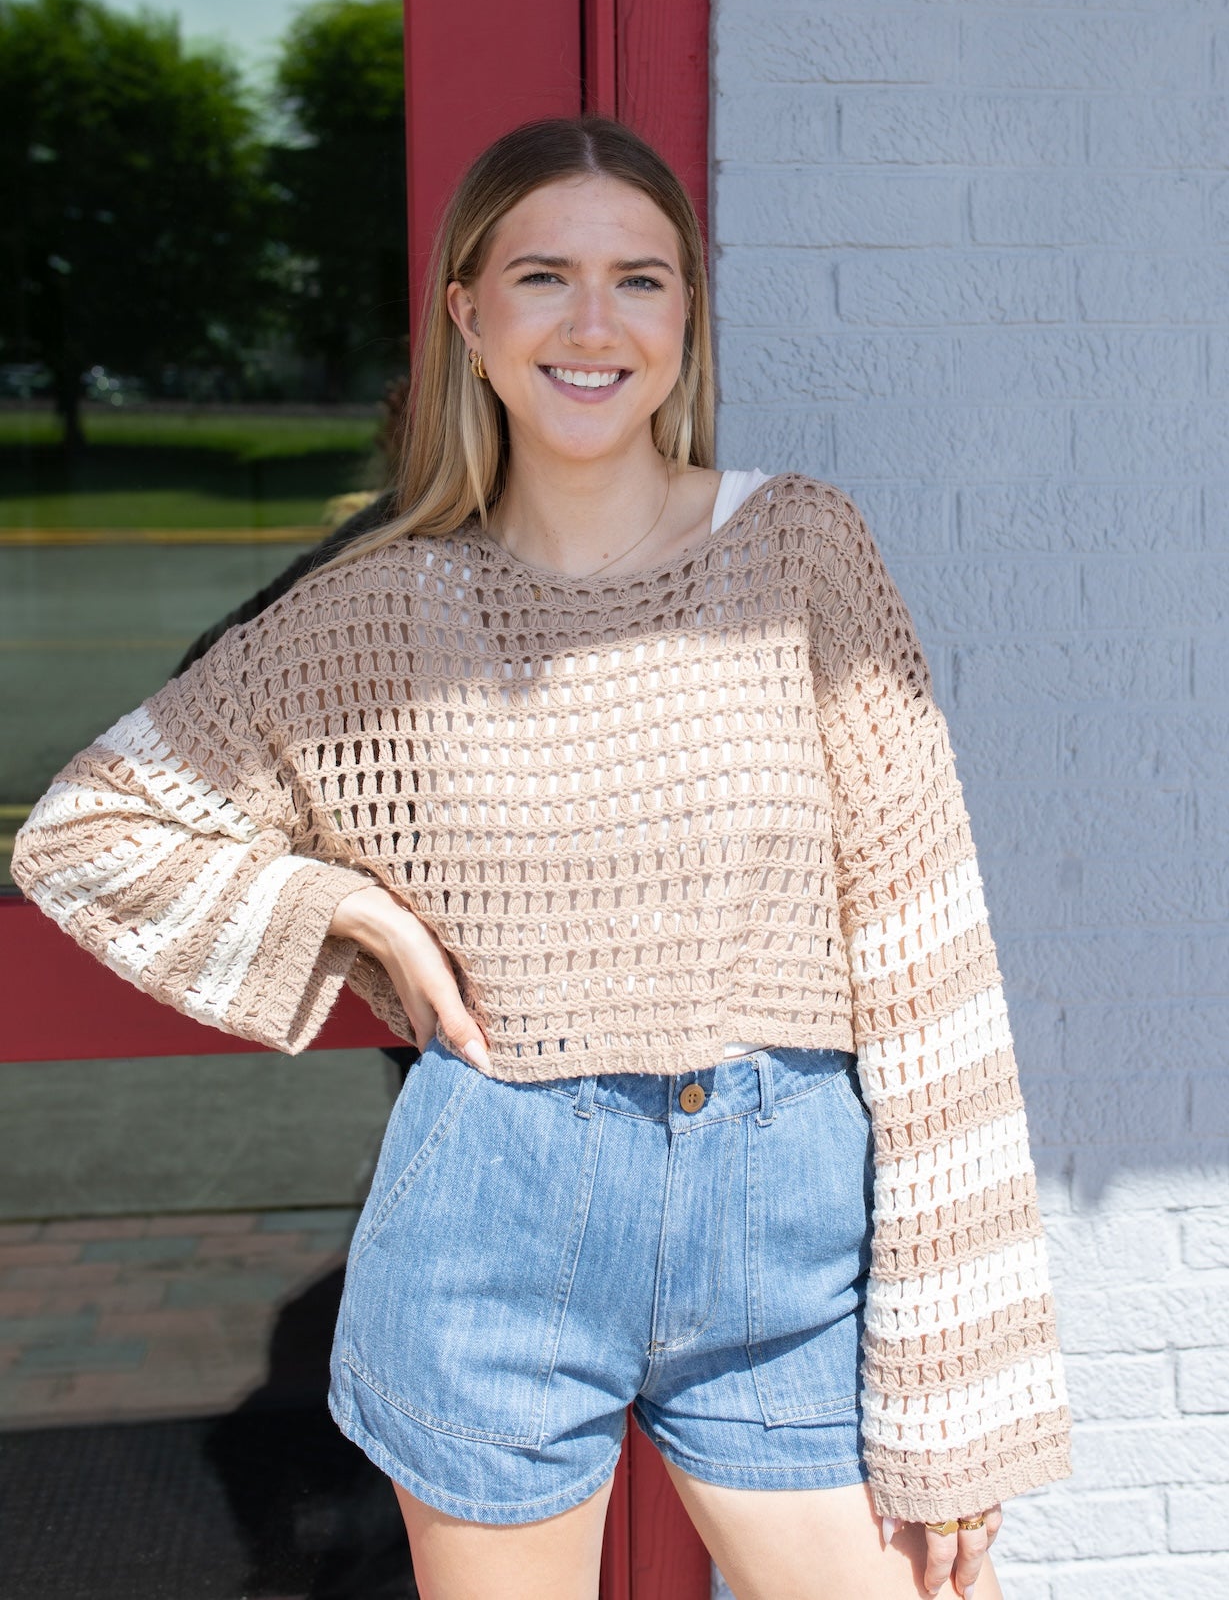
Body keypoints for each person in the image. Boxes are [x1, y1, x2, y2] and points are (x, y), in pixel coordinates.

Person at [12, 117, 1072, 1600]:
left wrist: (962, 1398)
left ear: (685, 317)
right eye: (543, 277)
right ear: (469, 314)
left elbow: (931, 970)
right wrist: (344, 914)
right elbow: (89, 830)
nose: (593, 325)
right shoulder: (375, 615)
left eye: (639, 280)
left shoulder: (802, 557)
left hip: (786, 1239)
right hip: (492, 1224)